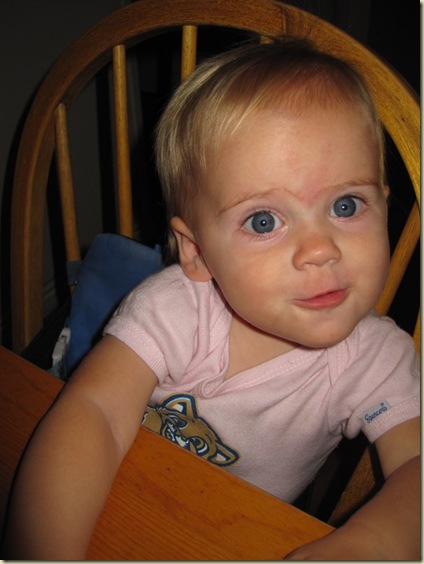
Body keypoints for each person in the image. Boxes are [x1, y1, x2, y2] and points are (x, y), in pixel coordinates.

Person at [3, 39, 420, 560]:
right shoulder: (176, 311)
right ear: (197, 252)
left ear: (383, 204)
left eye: (346, 205)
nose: (320, 249)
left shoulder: (374, 360)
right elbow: (96, 412)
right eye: (263, 221)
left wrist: (372, 542)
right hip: (110, 494)